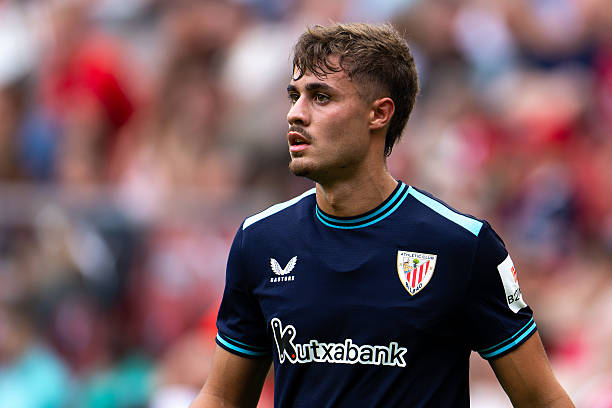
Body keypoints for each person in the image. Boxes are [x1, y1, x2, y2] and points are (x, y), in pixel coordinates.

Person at [190, 23, 574, 407]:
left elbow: (543, 399)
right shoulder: (260, 240)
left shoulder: (462, 246)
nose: (295, 114)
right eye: (295, 96)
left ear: (379, 113)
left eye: (321, 97)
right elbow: (222, 398)